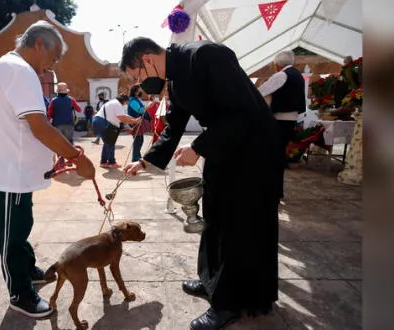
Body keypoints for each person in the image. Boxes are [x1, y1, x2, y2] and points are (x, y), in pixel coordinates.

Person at [120, 37, 282, 330]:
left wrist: (199, 146)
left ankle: (228, 303)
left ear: (146, 59)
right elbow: (174, 126)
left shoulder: (207, 56)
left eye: (137, 77)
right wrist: (144, 162)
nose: (141, 85)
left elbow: (242, 112)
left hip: (253, 151)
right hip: (225, 148)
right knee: (215, 216)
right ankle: (212, 281)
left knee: (238, 225)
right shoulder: (177, 78)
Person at [0, 20, 95, 318]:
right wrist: (77, 158)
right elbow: (40, 127)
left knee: (21, 227)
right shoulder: (19, 71)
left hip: (14, 173)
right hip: (10, 175)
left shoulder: (7, 68)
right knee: (12, 238)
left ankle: (28, 270)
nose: (50, 67)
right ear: (39, 44)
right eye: (53, 58)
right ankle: (20, 293)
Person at [258, 51, 306, 197]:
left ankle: (274, 190)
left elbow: (260, 92)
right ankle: (276, 190)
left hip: (279, 121)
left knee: (273, 157)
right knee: (279, 156)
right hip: (290, 120)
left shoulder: (281, 75)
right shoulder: (298, 75)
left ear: (276, 64)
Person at [92, 93, 140, 168]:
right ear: (124, 100)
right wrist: (134, 121)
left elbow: (124, 115)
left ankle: (103, 162)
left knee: (107, 143)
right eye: (126, 102)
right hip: (103, 123)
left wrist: (134, 119)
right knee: (110, 143)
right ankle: (112, 162)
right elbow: (122, 118)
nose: (126, 104)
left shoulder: (113, 102)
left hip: (98, 121)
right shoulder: (117, 104)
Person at [127, 84, 153, 161]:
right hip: (135, 122)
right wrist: (148, 106)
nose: (140, 92)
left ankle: (137, 156)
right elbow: (139, 110)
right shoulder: (132, 101)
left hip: (138, 122)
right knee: (137, 141)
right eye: (138, 91)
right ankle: (135, 158)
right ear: (134, 92)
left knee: (140, 140)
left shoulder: (135, 99)